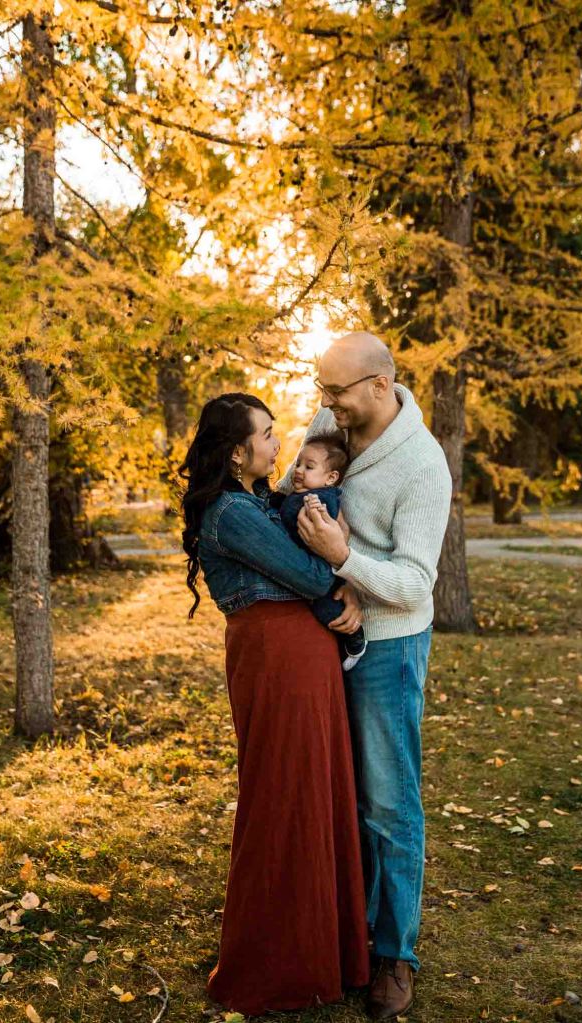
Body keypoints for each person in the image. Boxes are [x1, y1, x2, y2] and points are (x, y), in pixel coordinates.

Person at [276, 331, 452, 1021]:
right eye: (322, 390)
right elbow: (305, 489)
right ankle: (353, 933)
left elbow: (412, 584)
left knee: (388, 802)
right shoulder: (331, 424)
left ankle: (396, 954)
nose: (324, 407)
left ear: (380, 385)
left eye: (337, 391)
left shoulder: (424, 466)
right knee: (343, 794)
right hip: (331, 635)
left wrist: (347, 561)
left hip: (390, 648)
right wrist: (335, 577)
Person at [179, 392, 369, 1017]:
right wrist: (338, 568)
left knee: (314, 790)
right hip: (276, 659)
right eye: (265, 434)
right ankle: (275, 961)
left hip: (302, 658)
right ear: (236, 452)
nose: (276, 441)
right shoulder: (233, 513)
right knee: (282, 794)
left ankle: (327, 951)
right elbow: (314, 578)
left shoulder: (259, 501)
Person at [269, 431, 368, 670]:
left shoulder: (321, 498)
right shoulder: (300, 494)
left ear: (331, 477)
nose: (299, 470)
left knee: (327, 609)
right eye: (299, 463)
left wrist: (318, 511)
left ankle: (354, 640)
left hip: (323, 571)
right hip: (306, 566)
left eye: (309, 467)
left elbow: (328, 526)